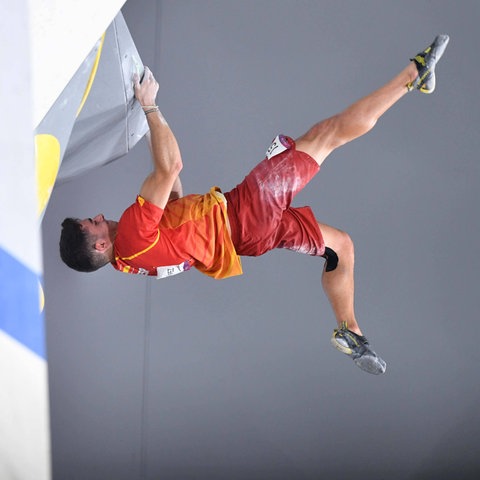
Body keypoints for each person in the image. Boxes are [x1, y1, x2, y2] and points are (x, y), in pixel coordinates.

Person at [59, 35, 450, 375]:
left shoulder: (132, 259)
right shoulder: (128, 235)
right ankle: (415, 75)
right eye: (90, 223)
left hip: (250, 238)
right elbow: (172, 167)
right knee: (327, 135)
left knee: (342, 246)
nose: (97, 216)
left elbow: (174, 197)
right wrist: (149, 107)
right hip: (244, 211)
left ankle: (351, 331)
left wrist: (151, 131)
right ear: (99, 245)